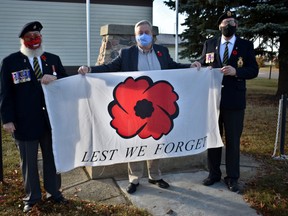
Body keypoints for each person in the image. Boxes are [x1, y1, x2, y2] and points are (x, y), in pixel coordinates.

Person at [78, 20, 201, 194]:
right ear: (135, 36)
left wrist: (190, 66)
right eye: (139, 33)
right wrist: (90, 69)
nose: (143, 35)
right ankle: (134, 178)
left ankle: (155, 175)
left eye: (146, 32)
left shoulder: (162, 52)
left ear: (152, 34)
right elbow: (109, 67)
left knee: (157, 139)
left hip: (158, 105)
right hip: (134, 107)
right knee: (136, 141)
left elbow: (172, 67)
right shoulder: (127, 53)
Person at [0, 21, 68, 213]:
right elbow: (5, 93)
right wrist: (7, 119)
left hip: (50, 120)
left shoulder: (53, 59)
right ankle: (32, 197)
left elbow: (66, 83)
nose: (34, 41)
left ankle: (54, 192)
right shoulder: (10, 62)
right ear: (23, 40)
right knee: (29, 161)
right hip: (24, 122)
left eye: (37, 37)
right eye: (30, 37)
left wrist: (55, 78)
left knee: (52, 158)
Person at [199, 11, 259, 192]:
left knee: (233, 140)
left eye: (232, 22)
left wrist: (236, 72)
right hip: (213, 100)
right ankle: (213, 174)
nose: (228, 25)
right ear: (219, 26)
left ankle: (232, 177)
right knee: (214, 139)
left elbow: (253, 70)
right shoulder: (210, 44)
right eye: (225, 22)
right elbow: (202, 63)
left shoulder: (245, 45)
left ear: (236, 26)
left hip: (234, 102)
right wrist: (197, 64)